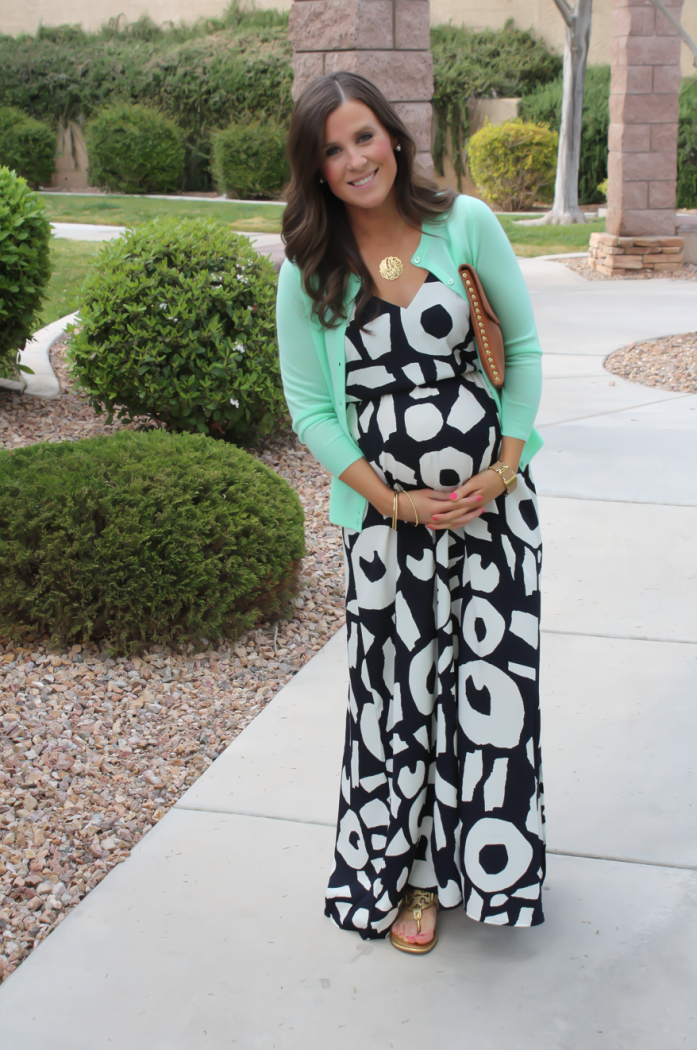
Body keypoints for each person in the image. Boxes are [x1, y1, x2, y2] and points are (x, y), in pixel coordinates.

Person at [276, 71, 545, 954]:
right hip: (388, 535)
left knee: (491, 699)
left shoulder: (462, 224)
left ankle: (493, 875)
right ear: (314, 170)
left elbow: (525, 345)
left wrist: (503, 469)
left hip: (492, 520)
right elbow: (311, 408)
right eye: (332, 149)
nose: (354, 160)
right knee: (397, 706)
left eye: (363, 137)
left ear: (392, 136)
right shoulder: (311, 266)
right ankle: (414, 883)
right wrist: (389, 500)